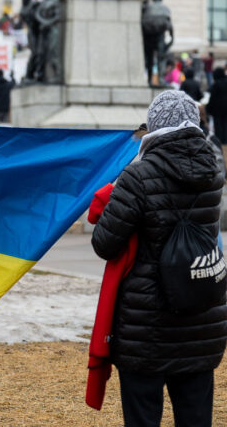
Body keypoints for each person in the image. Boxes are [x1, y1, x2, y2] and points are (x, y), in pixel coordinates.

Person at [92, 90, 226, 427]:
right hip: (200, 319)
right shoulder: (213, 171)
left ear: (154, 126)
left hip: (145, 325)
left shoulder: (138, 176)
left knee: (142, 418)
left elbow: (104, 243)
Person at [207, 67, 227, 144]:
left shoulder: (216, 84)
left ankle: (219, 141)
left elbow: (212, 97)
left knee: (218, 125)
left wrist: (209, 108)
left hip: (217, 109)